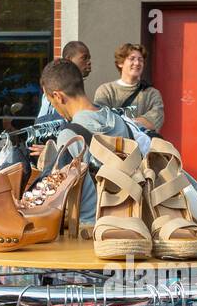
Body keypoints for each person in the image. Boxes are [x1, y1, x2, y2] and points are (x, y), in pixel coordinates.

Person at [42, 58, 147, 228]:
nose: (55, 108)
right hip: (131, 222)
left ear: (58, 96)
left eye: (52, 102)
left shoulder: (69, 135)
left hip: (91, 228)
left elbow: (68, 196)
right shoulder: (120, 122)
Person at [93, 43, 164, 134]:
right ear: (120, 63)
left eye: (140, 60)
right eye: (132, 59)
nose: (137, 63)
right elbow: (101, 120)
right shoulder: (106, 91)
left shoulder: (152, 94)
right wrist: (136, 123)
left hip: (142, 146)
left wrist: (117, 124)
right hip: (112, 145)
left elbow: (154, 121)